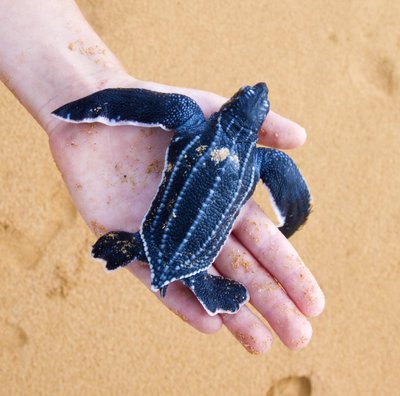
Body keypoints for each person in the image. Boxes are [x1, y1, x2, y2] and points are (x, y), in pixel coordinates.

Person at [0, 0, 324, 354]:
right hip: (189, 259)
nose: (257, 90)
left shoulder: (191, 120)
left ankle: (149, 251)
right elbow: (292, 190)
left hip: (154, 238)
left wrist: (84, 99)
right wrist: (290, 221)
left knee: (174, 109)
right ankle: (192, 278)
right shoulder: (263, 160)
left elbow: (139, 105)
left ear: (230, 107)